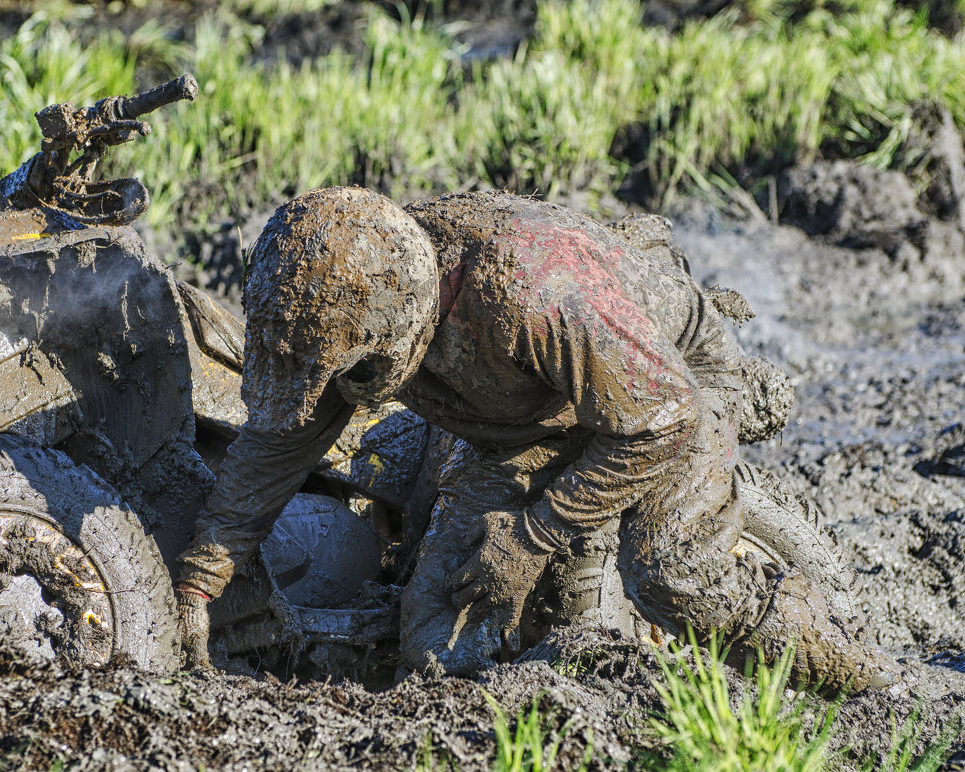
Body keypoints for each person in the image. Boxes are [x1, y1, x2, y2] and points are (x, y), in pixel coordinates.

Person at [173, 186, 896, 692]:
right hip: (517, 422)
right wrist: (202, 577)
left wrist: (533, 535)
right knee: (436, 637)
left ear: (398, 335)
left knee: (672, 568)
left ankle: (870, 681)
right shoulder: (346, 301)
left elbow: (664, 416)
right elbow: (279, 444)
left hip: (669, 386)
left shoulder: (529, 291)